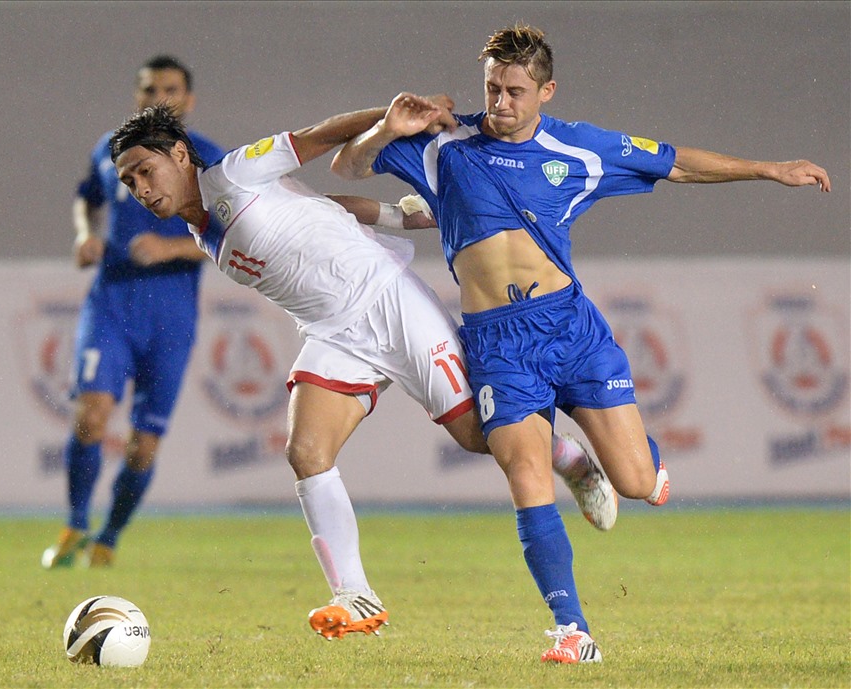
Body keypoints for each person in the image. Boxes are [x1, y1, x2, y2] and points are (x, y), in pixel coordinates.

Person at [331, 23, 830, 663]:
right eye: (492, 88)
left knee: (636, 482)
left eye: (514, 91)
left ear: (546, 91)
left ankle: (632, 465)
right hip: (497, 345)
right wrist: (387, 127)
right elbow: (349, 164)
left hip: (571, 329)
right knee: (524, 471)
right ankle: (573, 631)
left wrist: (768, 169)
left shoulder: (582, 148)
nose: (501, 103)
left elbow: (675, 162)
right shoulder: (444, 144)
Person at [108, 100, 617, 639]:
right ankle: (355, 595)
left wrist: (391, 121)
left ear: (181, 155)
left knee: (481, 438)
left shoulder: (233, 174)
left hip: (388, 304)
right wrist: (398, 216)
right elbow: (319, 207)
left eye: (146, 170)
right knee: (305, 452)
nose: (140, 187)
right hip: (334, 333)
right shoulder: (200, 233)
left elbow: (314, 134)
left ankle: (571, 459)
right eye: (128, 180)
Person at [41, 56, 226, 569]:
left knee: (143, 446)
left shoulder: (209, 159)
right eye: (149, 88)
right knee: (91, 417)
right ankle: (75, 524)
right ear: (136, 95)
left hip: (171, 317)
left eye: (170, 89)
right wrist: (85, 234)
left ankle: (108, 539)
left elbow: (236, 236)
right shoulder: (111, 148)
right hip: (113, 304)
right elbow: (87, 198)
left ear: (188, 101)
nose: (158, 98)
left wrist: (173, 251)